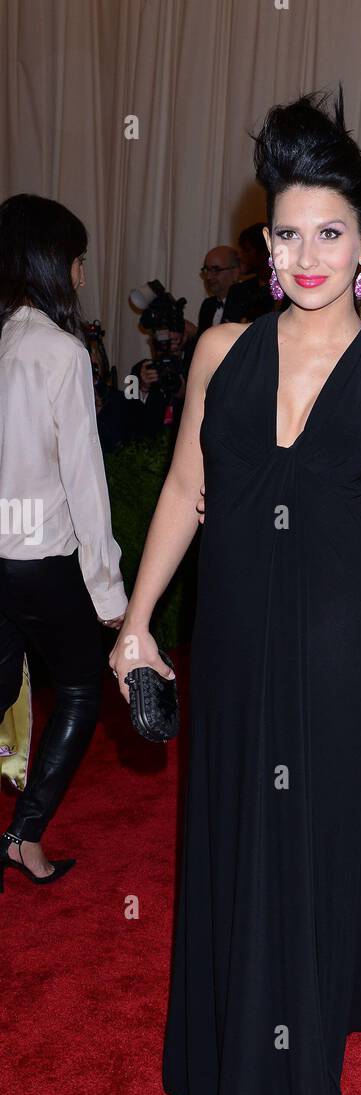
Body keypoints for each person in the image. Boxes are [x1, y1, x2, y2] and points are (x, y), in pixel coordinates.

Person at [109, 89, 361, 1095]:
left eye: (330, 233)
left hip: (341, 657)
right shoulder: (220, 350)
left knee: (303, 849)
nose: (306, 255)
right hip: (235, 649)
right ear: (265, 243)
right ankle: (219, 1060)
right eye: (287, 234)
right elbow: (187, 495)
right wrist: (139, 619)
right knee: (233, 839)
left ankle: (288, 1094)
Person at [0, 195, 127, 889]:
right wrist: (107, 587)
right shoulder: (58, 351)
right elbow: (86, 482)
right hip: (41, 562)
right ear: (53, 264)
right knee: (80, 689)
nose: (81, 276)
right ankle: (25, 836)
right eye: (77, 260)